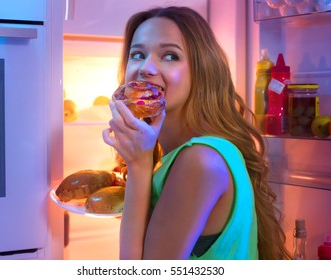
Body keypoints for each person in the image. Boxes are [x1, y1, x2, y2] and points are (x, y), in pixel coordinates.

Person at [102, 6, 291, 260]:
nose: (146, 67)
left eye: (170, 56)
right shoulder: (184, 156)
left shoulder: (201, 161)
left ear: (202, 71)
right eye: (137, 54)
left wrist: (138, 164)